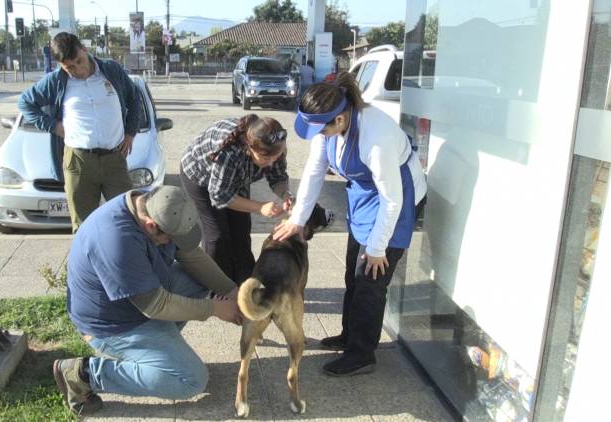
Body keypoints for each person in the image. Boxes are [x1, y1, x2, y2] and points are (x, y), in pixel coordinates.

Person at [273, 73, 427, 377]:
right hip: (365, 197)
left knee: (370, 279)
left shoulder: (375, 137)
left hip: (396, 199)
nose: (321, 135)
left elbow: (392, 199)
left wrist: (378, 247)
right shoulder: (327, 127)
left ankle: (361, 354)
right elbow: (315, 172)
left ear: (341, 119)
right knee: (352, 273)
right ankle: (349, 335)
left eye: (324, 129)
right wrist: (297, 220)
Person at [53, 186, 241, 414]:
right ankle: (84, 374)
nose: (174, 242)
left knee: (201, 280)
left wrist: (233, 292)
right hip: (114, 325)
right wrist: (215, 309)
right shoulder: (116, 240)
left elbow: (191, 255)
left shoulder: (155, 202)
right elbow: (155, 305)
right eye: (170, 238)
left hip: (144, 296)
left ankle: (160, 348)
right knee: (192, 380)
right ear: (151, 226)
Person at [18, 32, 141, 232]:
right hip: (79, 161)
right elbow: (25, 103)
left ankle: (125, 261)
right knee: (84, 226)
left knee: (128, 218)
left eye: (79, 61)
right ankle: (84, 262)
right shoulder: (56, 81)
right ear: (61, 65)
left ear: (85, 49)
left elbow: (134, 99)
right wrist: (53, 126)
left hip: (115, 159)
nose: (78, 70)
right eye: (70, 67)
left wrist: (130, 133)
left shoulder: (110, 70)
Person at [180, 115, 292, 284]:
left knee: (241, 230)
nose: (270, 164)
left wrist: (285, 195)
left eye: (274, 158)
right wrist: (259, 207)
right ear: (250, 148)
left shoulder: (274, 147)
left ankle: (247, 284)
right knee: (217, 236)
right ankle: (217, 288)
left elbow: (278, 177)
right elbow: (219, 196)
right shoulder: (229, 152)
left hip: (237, 179)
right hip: (200, 176)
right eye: (266, 159)